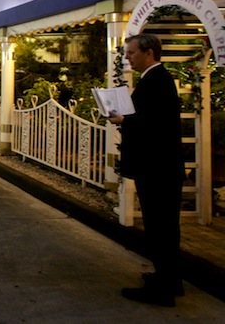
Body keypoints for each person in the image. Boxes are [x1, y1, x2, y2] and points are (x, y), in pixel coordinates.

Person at [108, 34, 184, 307]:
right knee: (164, 226)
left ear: (149, 53)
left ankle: (164, 290)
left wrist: (123, 121)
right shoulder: (156, 80)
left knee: (159, 227)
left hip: (157, 169)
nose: (127, 57)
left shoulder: (156, 81)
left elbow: (154, 125)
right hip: (161, 167)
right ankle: (170, 279)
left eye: (131, 52)